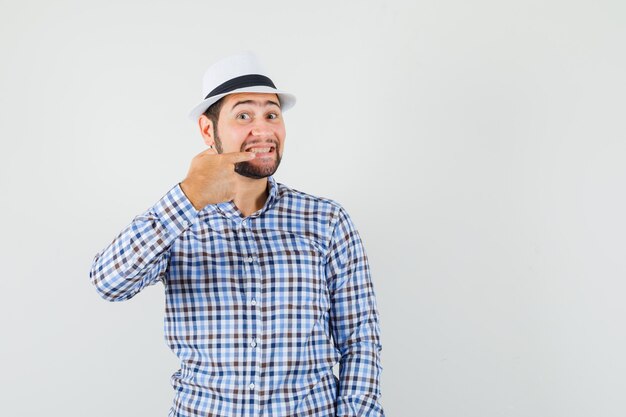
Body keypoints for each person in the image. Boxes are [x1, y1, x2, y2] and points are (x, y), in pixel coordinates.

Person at [89, 52, 385, 417]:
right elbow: (109, 283)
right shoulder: (177, 223)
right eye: (243, 115)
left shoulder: (326, 221)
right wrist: (188, 196)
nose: (262, 130)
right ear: (207, 131)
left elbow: (360, 342)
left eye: (271, 115)